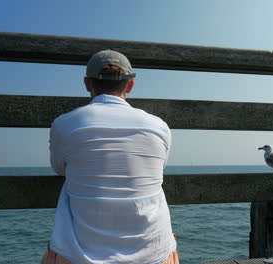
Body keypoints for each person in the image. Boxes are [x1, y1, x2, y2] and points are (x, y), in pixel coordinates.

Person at [42, 50, 178, 264]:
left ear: (87, 83)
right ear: (130, 85)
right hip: (155, 256)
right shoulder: (159, 127)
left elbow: (60, 168)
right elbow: (157, 169)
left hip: (79, 257)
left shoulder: (64, 124)